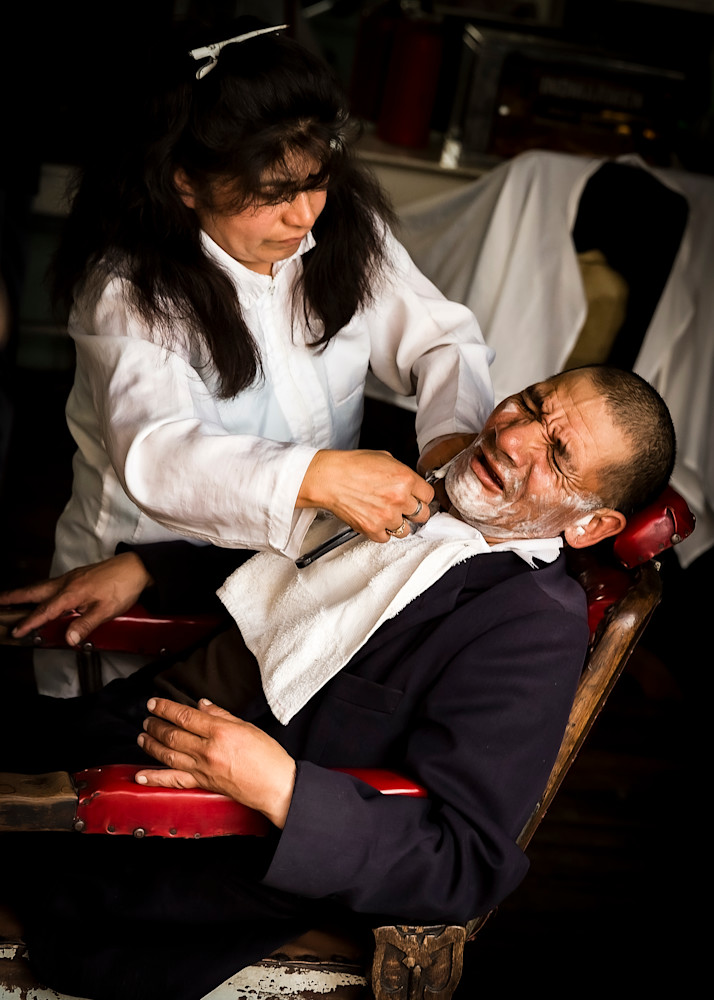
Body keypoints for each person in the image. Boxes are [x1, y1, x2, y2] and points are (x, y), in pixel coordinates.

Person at [1, 365, 675, 1000]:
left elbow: (462, 860)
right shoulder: (416, 481)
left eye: (557, 453)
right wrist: (148, 570)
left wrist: (283, 788)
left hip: (190, 838)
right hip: (117, 721)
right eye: (529, 402)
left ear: (591, 524)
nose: (513, 435)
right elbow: (297, 577)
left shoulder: (528, 628)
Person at [32, 16, 494, 696]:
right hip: (138, 588)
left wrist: (450, 437)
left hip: (290, 584)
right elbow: (160, 454)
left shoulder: (343, 232)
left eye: (316, 180)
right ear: (186, 181)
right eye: (272, 194)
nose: (303, 214)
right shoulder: (130, 289)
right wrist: (319, 476)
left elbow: (442, 341)